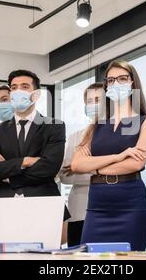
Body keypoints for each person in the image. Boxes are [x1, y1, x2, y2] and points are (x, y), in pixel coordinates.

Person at [71, 60, 146, 251]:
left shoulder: (145, 121)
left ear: (133, 83)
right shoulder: (96, 124)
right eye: (111, 80)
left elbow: (135, 164)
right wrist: (119, 157)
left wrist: (94, 166)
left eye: (122, 79)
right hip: (97, 203)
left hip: (130, 203)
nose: (116, 84)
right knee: (91, 262)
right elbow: (76, 164)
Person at [0, 69, 67, 240]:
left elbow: (49, 168)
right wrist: (25, 161)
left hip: (42, 206)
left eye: (24, 86)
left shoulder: (54, 126)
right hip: (4, 207)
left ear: (36, 94)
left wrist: (7, 171)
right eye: (13, 87)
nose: (17, 91)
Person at [57, 82, 104, 247]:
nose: (93, 105)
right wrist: (99, 170)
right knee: (77, 256)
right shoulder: (76, 137)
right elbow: (65, 176)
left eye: (98, 99)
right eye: (89, 101)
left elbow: (75, 169)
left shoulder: (117, 135)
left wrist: (82, 166)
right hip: (78, 209)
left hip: (108, 207)